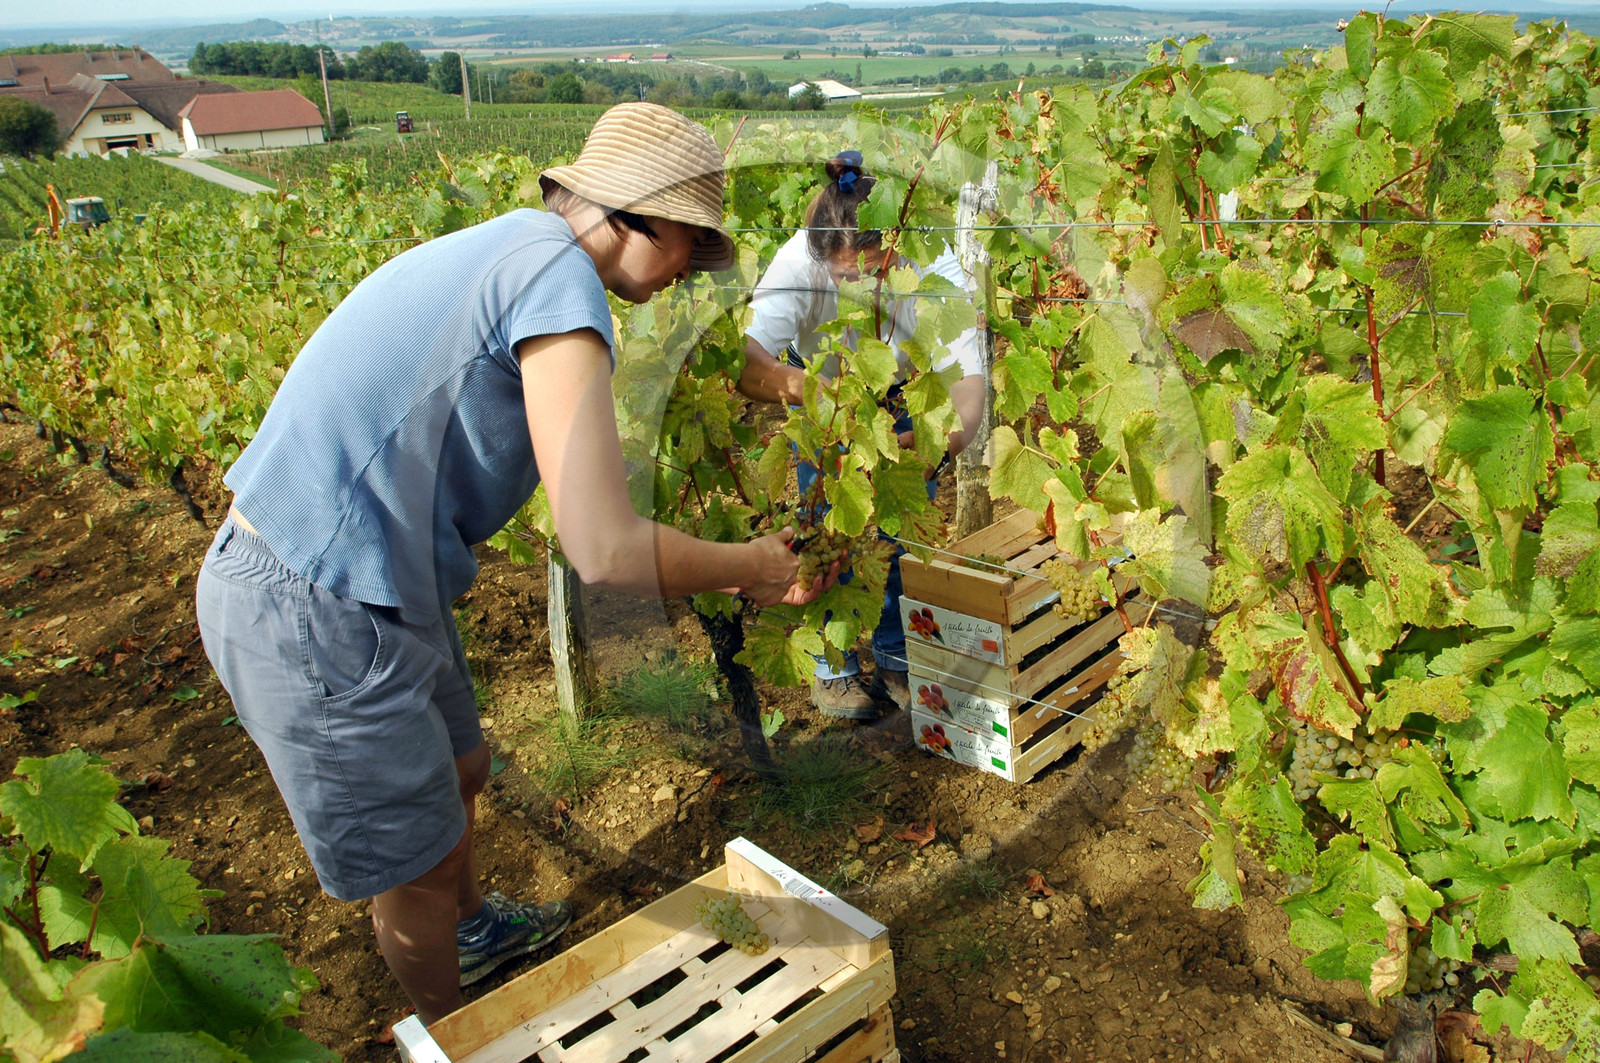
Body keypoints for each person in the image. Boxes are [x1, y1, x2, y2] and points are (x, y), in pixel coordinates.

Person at [195, 103, 831, 1026]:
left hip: (378, 579)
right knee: (408, 870)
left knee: (462, 766)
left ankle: (475, 928)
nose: (694, 264)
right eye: (692, 239)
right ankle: (459, 1037)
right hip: (313, 600)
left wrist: (740, 525)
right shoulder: (558, 285)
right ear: (632, 218)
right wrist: (754, 565)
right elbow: (602, 546)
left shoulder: (523, 248)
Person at [735, 150, 986, 719]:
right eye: (840, 273)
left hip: (896, 406)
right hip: (819, 408)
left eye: (865, 271)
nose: (851, 282)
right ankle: (834, 669)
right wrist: (811, 393)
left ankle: (896, 659)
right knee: (825, 535)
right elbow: (746, 362)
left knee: (896, 542)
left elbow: (967, 383)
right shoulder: (797, 264)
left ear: (893, 247)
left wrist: (934, 443)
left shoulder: (932, 265)